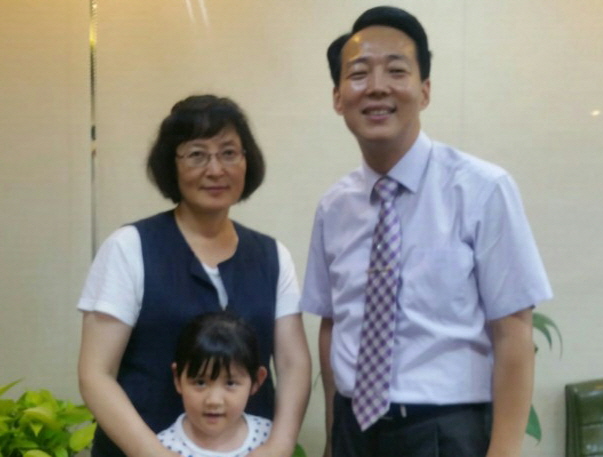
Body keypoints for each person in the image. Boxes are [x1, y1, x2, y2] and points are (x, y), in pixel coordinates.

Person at [300, 6, 552, 457]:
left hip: (446, 431)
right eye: (358, 74)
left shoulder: (482, 190)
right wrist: (334, 437)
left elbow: (514, 330)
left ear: (425, 90)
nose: (377, 86)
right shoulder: (334, 207)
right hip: (354, 431)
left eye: (396, 70)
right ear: (338, 97)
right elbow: (332, 324)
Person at [78, 94, 311, 457]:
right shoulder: (129, 247)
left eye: (229, 153)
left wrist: (279, 446)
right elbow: (96, 373)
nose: (215, 169)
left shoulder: (272, 255)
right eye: (197, 154)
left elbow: (293, 364)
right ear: (171, 165)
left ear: (247, 160)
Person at [158, 311, 272, 456]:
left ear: (257, 380)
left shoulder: (269, 438)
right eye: (200, 382)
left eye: (230, 383)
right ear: (177, 378)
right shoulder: (162, 448)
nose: (214, 401)